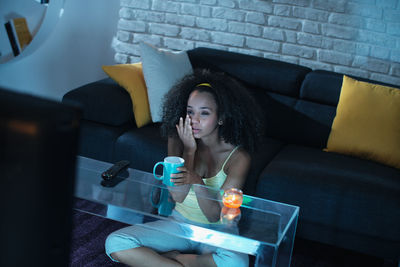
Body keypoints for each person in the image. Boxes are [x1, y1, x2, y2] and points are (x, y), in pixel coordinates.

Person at [105, 69, 263, 267]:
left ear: (221, 117)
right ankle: (184, 263)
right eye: (190, 112)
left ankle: (174, 258)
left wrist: (197, 181)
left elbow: (215, 215)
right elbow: (177, 196)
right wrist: (189, 151)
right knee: (115, 242)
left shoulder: (238, 157)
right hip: (180, 225)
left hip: (218, 232)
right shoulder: (178, 140)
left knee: (236, 263)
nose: (194, 120)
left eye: (204, 113)